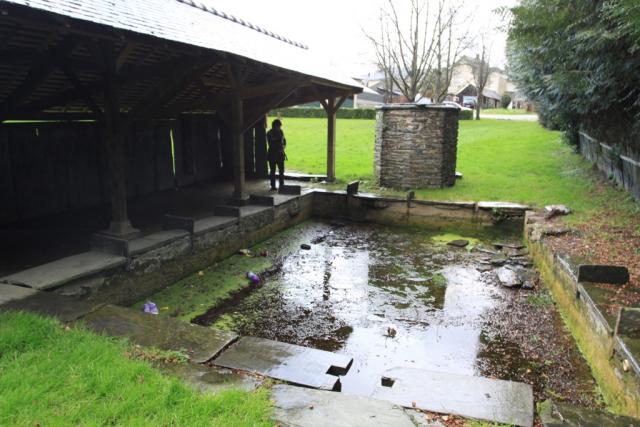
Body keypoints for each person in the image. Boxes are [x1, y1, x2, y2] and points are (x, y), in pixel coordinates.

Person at [266, 119, 287, 190]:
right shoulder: (269, 133)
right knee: (273, 171)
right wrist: (280, 146)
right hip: (272, 154)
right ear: (274, 126)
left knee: (281, 171)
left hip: (280, 154)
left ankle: (282, 185)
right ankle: (273, 186)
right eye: (278, 126)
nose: (279, 128)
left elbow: (284, 141)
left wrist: (283, 147)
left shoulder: (281, 132)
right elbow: (272, 144)